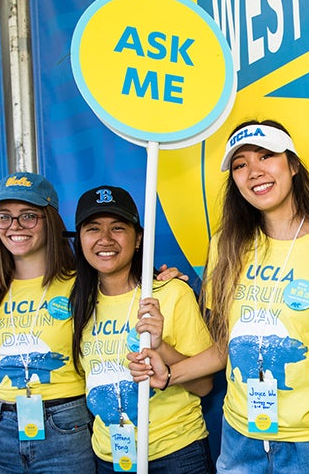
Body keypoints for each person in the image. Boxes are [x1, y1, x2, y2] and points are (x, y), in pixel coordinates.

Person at [128, 120, 309, 472]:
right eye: (240, 165)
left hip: (308, 442)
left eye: (266, 156)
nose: (254, 172)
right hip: (239, 439)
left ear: (293, 165)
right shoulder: (226, 245)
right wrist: (168, 375)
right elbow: (225, 346)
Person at [0, 172, 96, 473]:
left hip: (66, 431)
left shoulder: (83, 285)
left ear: (50, 220)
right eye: (4, 217)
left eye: (28, 216)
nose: (14, 227)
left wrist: (161, 278)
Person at [69, 185, 215, 473]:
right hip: (109, 457)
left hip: (176, 454)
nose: (105, 239)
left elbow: (204, 386)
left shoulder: (172, 293)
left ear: (138, 240)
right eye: (93, 229)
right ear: (80, 239)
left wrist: (161, 346)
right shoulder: (77, 303)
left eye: (118, 228)